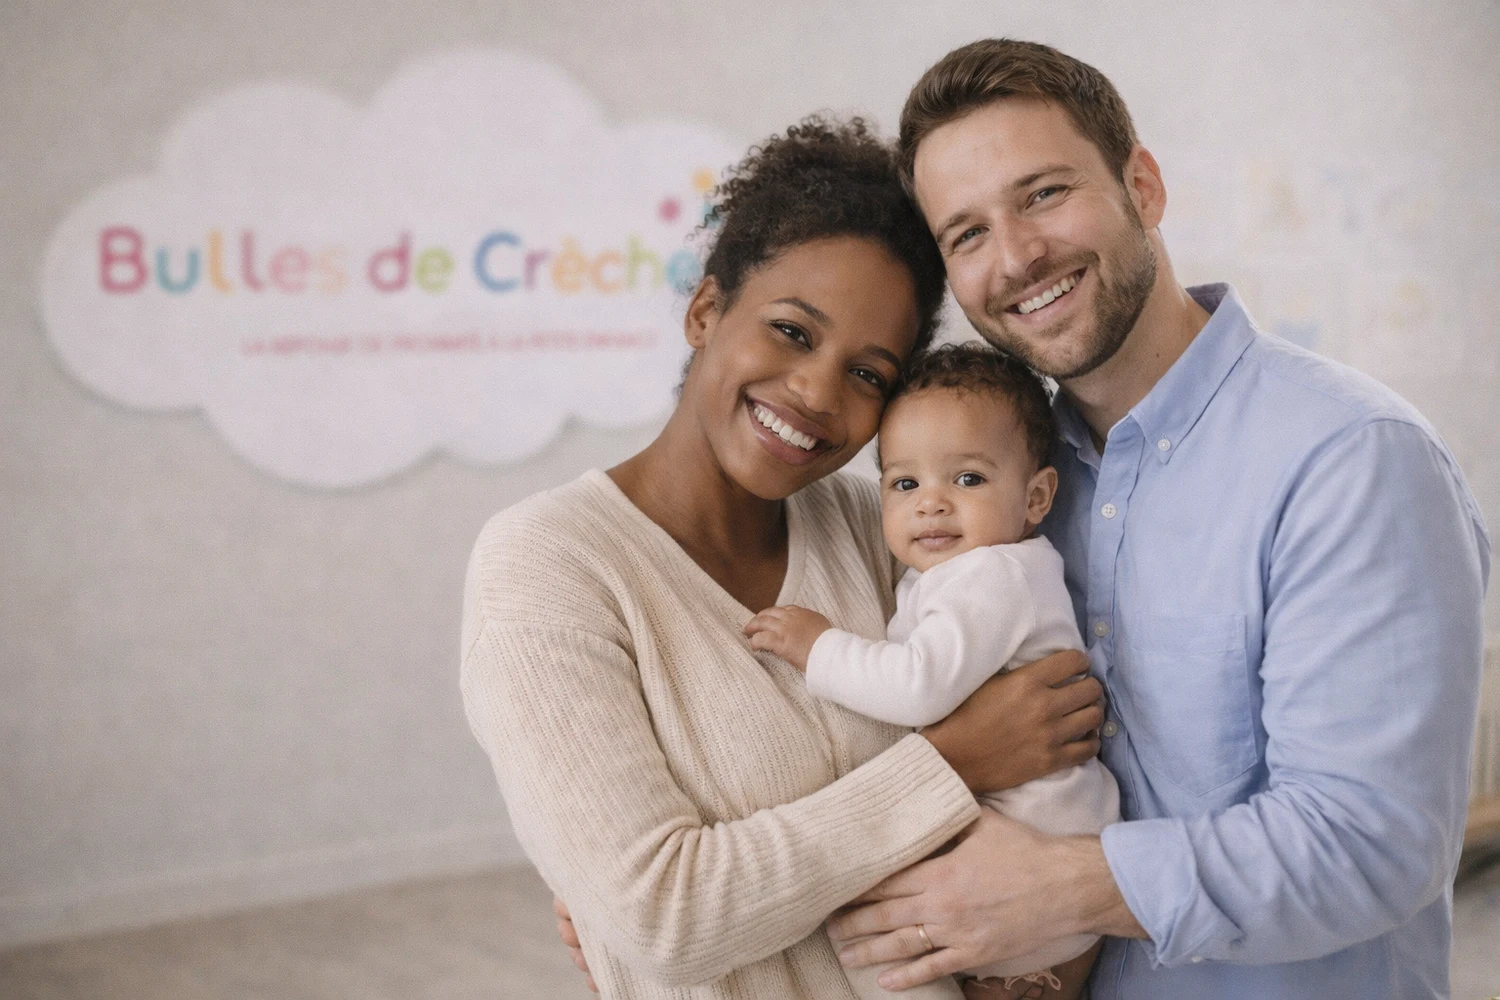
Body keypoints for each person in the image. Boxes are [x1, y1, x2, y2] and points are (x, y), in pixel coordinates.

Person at [824, 39, 1491, 1000]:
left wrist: (1058, 888)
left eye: (1044, 193)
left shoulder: (1353, 459)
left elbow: (1371, 843)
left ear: (1143, 184)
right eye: (966, 234)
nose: (1015, 257)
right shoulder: (996, 487)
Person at [461, 116, 1106, 1000]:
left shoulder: (873, 524)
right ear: (705, 309)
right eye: (794, 332)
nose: (815, 393)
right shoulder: (548, 564)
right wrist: (956, 764)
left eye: (868, 374)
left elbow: (1038, 725)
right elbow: (668, 918)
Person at [745, 343, 1119, 997]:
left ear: (1035, 497)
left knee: (859, 921)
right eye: (904, 483)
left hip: (1035, 845)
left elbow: (920, 685)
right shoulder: (964, 573)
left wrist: (819, 647)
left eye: (968, 479)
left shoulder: (991, 576)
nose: (932, 504)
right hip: (1032, 839)